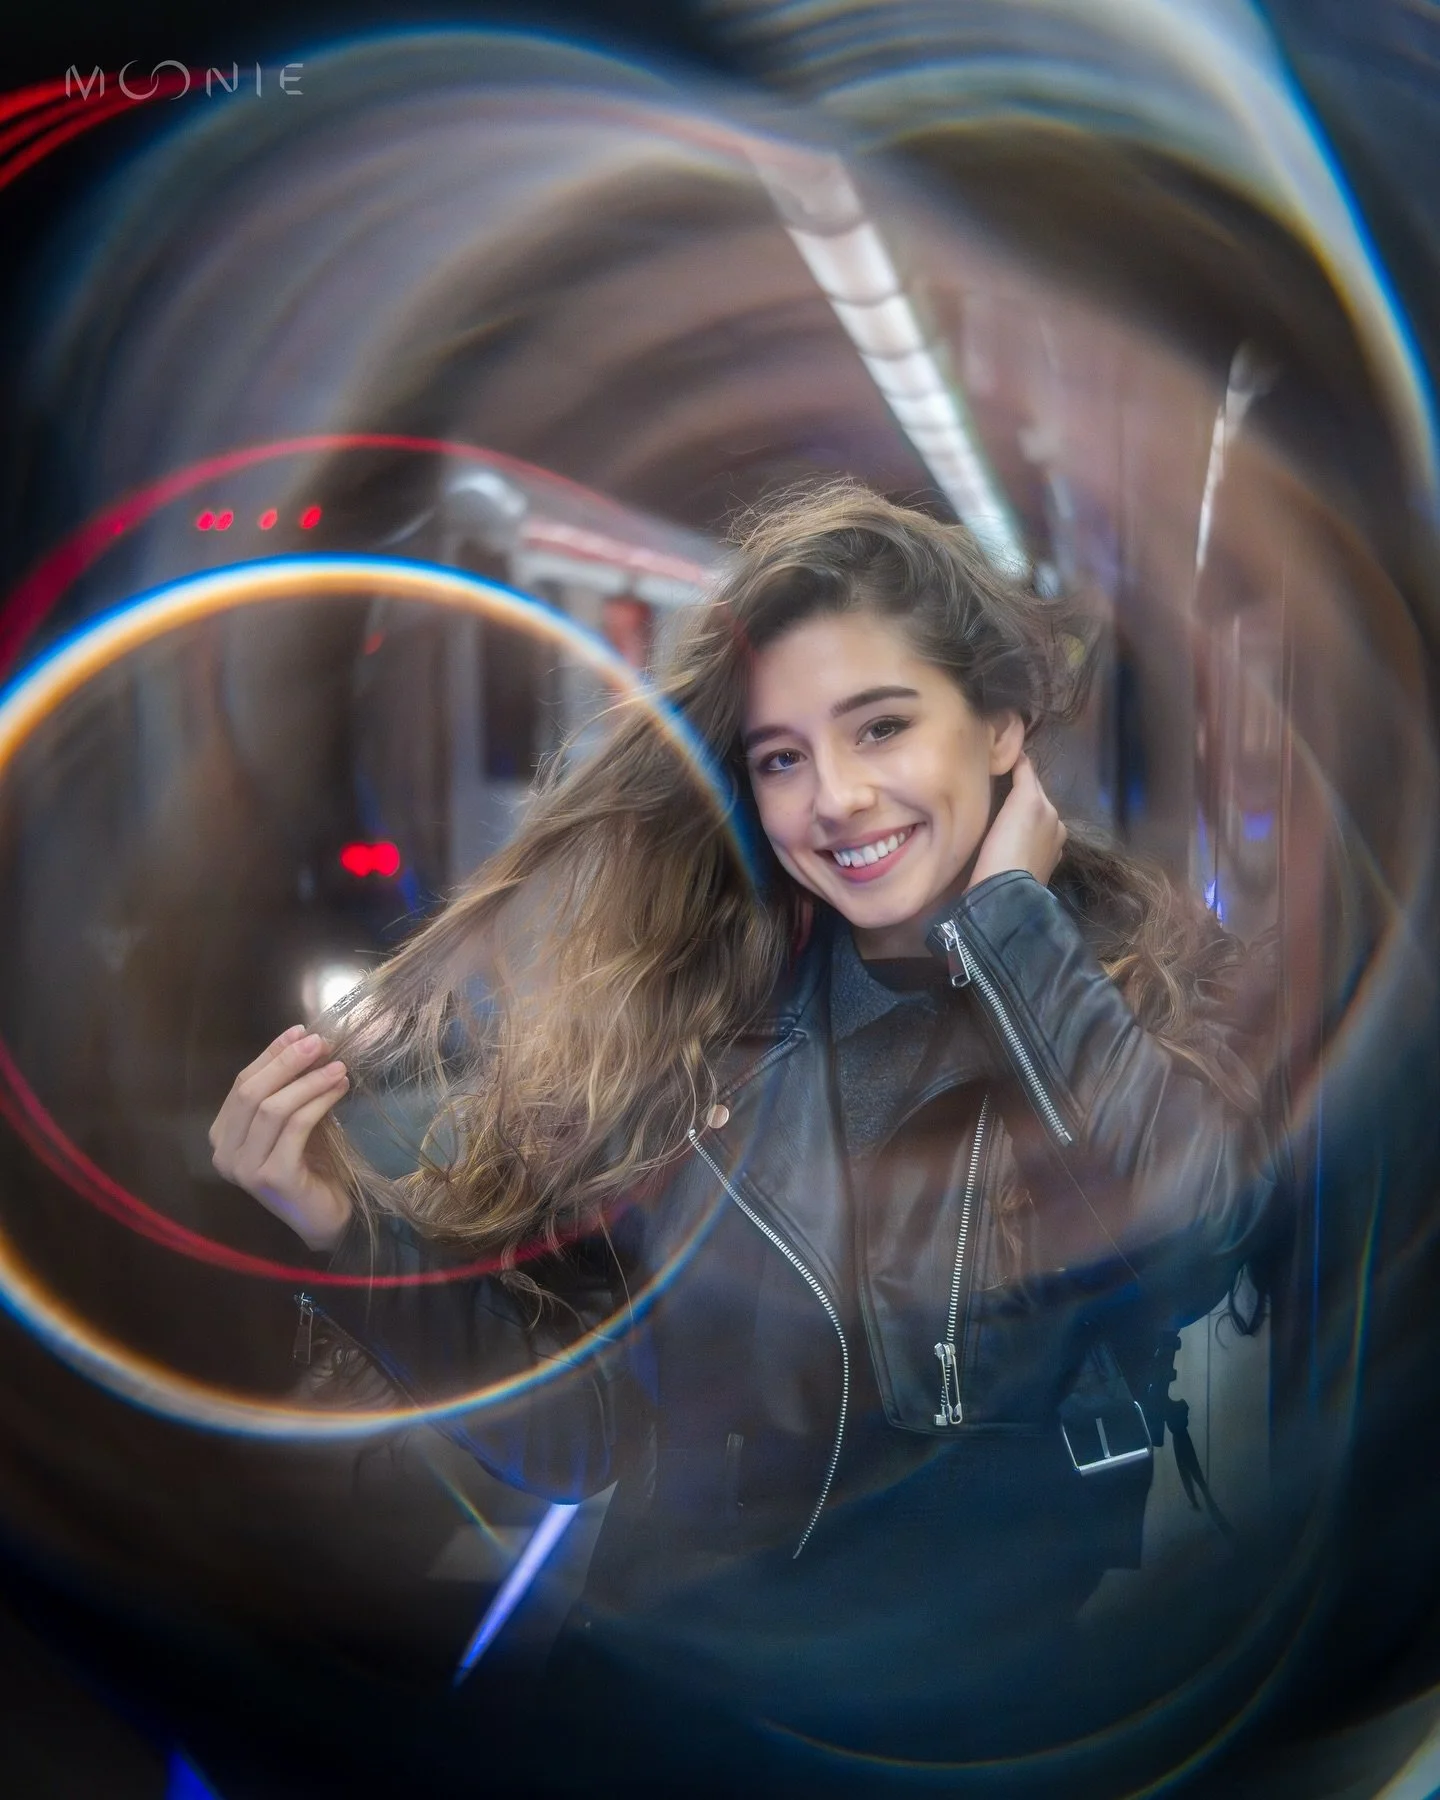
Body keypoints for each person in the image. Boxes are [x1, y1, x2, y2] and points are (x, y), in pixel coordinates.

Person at [209, 482, 1276, 1788]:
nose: (837, 798)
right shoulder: (699, 1016)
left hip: (980, 1727)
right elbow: (583, 1430)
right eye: (782, 758)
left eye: (882, 727)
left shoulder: (1122, 992)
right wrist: (346, 1232)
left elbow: (1194, 1233)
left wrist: (1011, 922)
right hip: (686, 1710)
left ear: (1002, 726)